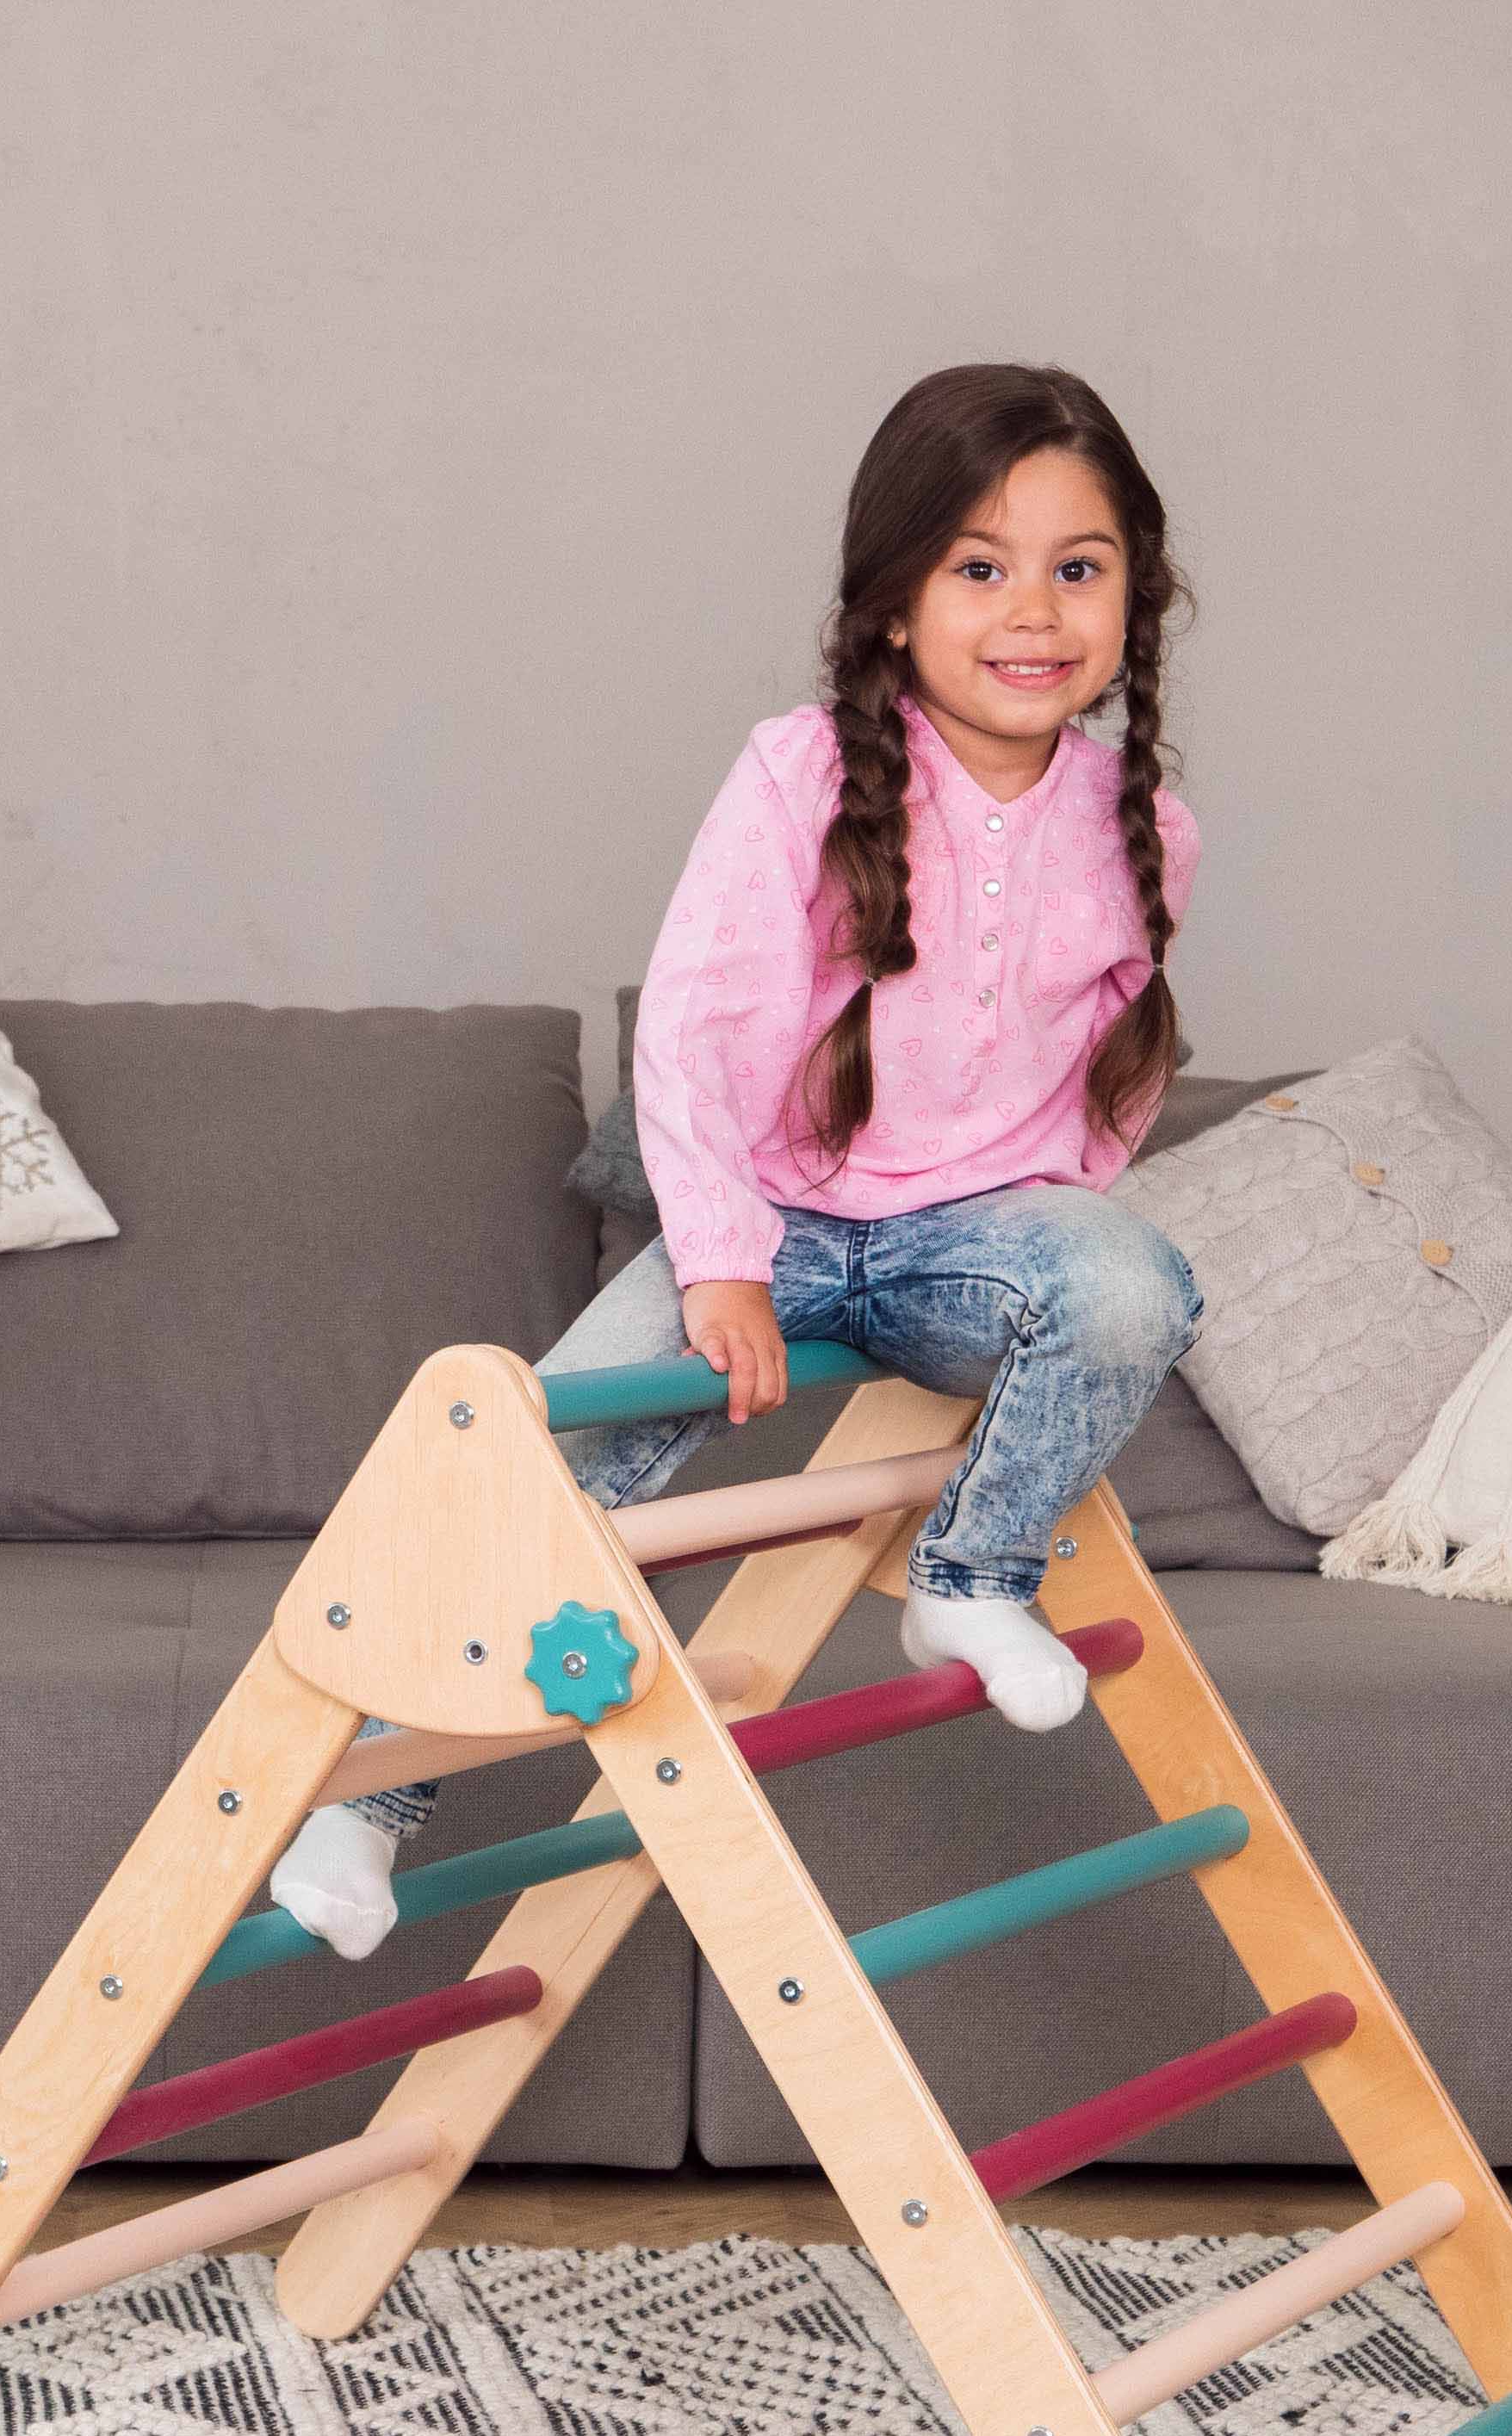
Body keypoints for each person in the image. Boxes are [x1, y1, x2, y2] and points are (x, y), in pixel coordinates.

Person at [271, 358, 1207, 1957]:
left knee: (1135, 1287)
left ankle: (975, 1576)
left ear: (1138, 597)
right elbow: (694, 1040)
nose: (1034, 610)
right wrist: (718, 1261)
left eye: (1079, 568)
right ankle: (365, 1799)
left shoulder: (1143, 822)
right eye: (980, 568)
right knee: (538, 1468)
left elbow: (1116, 1060)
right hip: (770, 1220)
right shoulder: (802, 775)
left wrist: (1050, 1221)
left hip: (967, 1239)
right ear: (895, 606)